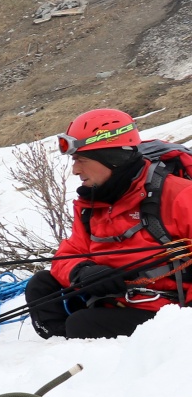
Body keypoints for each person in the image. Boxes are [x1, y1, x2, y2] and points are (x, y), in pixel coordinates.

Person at [26, 108, 192, 339]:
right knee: (41, 286)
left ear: (112, 158)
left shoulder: (179, 195)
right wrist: (82, 272)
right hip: (112, 300)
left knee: (83, 325)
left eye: (81, 160)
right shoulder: (92, 203)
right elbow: (70, 252)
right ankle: (62, 345)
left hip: (165, 311)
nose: (75, 170)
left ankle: (82, 345)